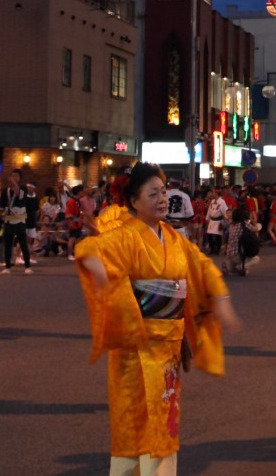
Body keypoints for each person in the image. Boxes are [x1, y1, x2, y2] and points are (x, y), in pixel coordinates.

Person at [75, 161, 239, 476]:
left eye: (164, 192)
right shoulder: (125, 236)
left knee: (163, 422)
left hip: (168, 348)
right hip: (137, 348)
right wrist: (100, 269)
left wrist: (221, 299)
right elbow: (89, 248)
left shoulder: (173, 238)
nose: (163, 199)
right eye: (153, 194)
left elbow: (202, 266)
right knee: (135, 424)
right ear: (133, 201)